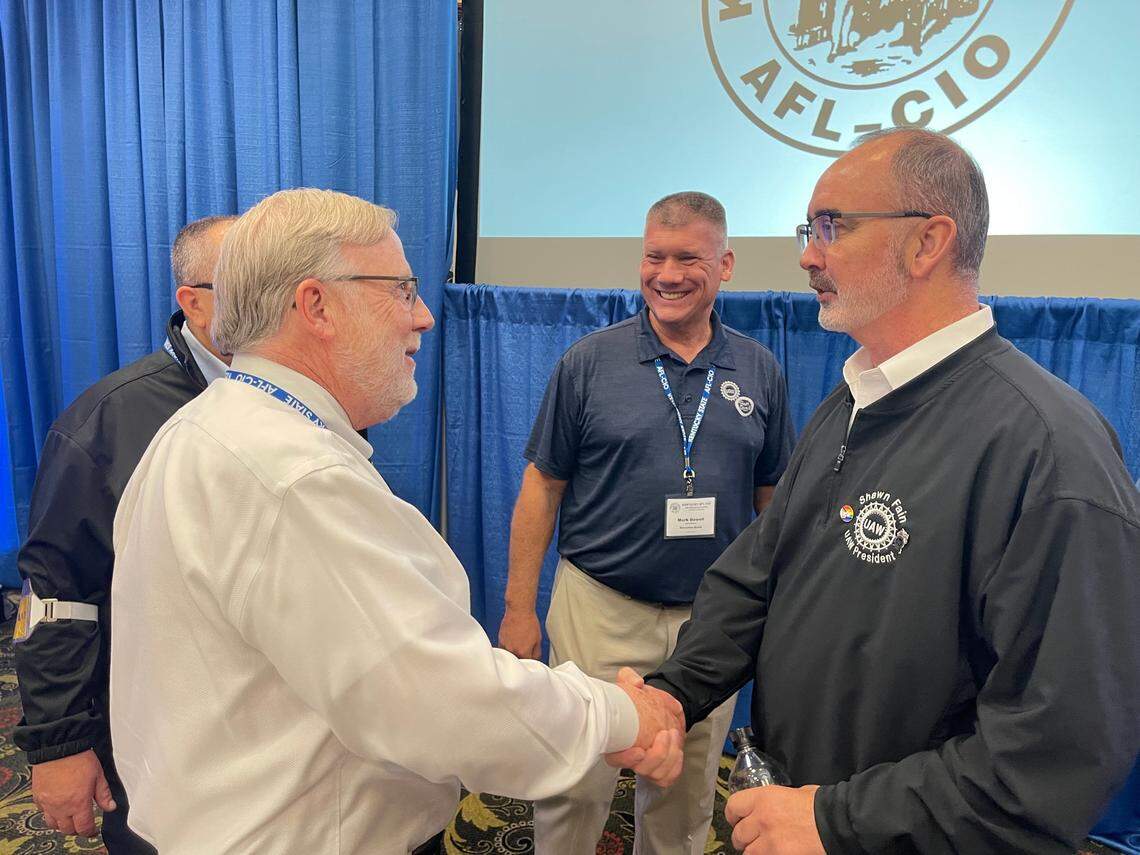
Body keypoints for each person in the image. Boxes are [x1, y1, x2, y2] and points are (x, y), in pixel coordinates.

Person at [107, 188, 686, 855]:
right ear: (316, 305)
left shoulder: (207, 428)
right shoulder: (292, 477)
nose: (425, 318)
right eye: (401, 289)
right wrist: (618, 715)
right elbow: (438, 702)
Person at [647, 128, 1140, 854]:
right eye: (807, 229)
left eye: (831, 227)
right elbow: (759, 572)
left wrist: (836, 820)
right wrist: (672, 692)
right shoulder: (851, 401)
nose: (808, 254)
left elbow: (1056, 753)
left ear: (927, 242)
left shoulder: (1048, 451)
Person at [498, 191, 795, 854]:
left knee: (686, 799)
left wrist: (776, 610)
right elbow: (541, 488)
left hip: (710, 623)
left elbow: (773, 499)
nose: (667, 273)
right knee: (575, 786)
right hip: (599, 607)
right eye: (654, 256)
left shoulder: (759, 368)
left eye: (687, 257)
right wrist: (520, 608)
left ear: (725, 265)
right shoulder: (589, 362)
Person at [13, 214, 236, 851]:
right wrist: (58, 745)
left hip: (269, 731)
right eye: (246, 284)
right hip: (158, 737)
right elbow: (58, 598)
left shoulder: (306, 402)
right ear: (192, 302)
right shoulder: (109, 421)